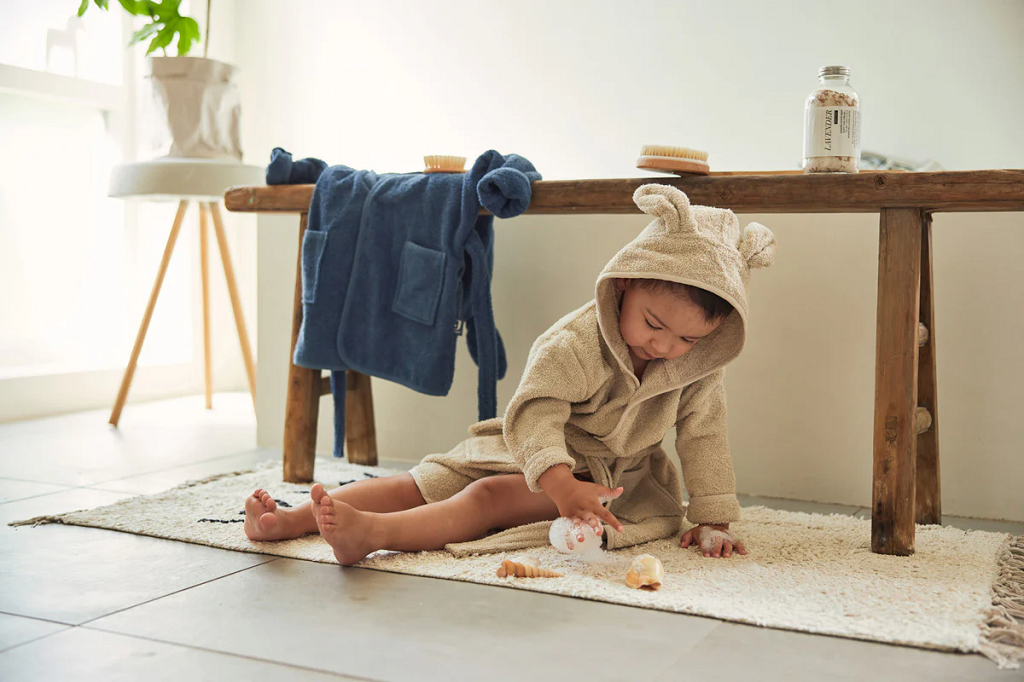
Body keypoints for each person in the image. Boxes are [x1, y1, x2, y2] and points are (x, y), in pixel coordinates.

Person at [243, 183, 776, 566]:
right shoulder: (575, 343)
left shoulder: (694, 367)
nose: (665, 347)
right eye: (654, 324)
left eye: (687, 339)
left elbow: (704, 434)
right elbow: (536, 412)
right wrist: (557, 478)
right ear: (622, 285)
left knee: (490, 497)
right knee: (428, 480)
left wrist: (712, 516)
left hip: (612, 479)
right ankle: (288, 521)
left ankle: (372, 536)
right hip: (538, 449)